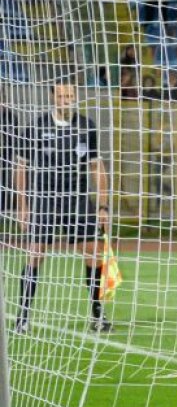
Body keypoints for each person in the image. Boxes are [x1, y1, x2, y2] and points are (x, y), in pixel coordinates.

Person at [13, 81, 112, 334]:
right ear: (53, 97)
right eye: (62, 95)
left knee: (94, 252)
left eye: (70, 95)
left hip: (77, 197)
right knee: (35, 253)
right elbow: (21, 167)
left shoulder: (86, 126)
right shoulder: (36, 126)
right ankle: (22, 318)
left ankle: (98, 315)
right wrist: (22, 205)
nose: (66, 99)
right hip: (45, 197)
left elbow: (96, 167)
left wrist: (102, 206)